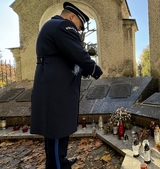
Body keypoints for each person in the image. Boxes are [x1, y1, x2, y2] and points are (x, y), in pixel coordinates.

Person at [30, 2, 103, 168]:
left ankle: (59, 160)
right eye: (79, 25)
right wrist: (94, 69)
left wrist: (81, 70)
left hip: (53, 85)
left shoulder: (52, 26)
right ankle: (57, 165)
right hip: (57, 89)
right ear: (72, 17)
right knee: (56, 131)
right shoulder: (63, 26)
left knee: (57, 129)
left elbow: (65, 57)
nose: (78, 30)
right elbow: (77, 53)